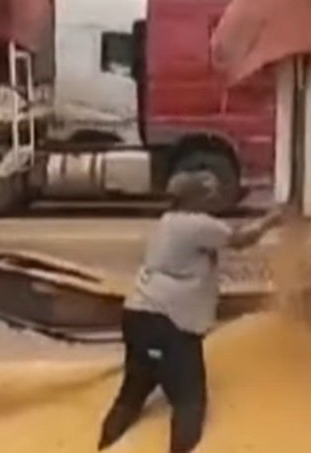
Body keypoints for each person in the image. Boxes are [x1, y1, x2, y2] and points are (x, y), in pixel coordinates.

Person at [98, 171, 286, 452]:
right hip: (169, 323)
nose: (213, 199)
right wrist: (273, 219)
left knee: (131, 394)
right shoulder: (195, 224)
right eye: (208, 194)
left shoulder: (167, 222)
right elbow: (240, 239)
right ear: (193, 197)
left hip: (138, 315)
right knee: (190, 402)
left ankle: (103, 445)